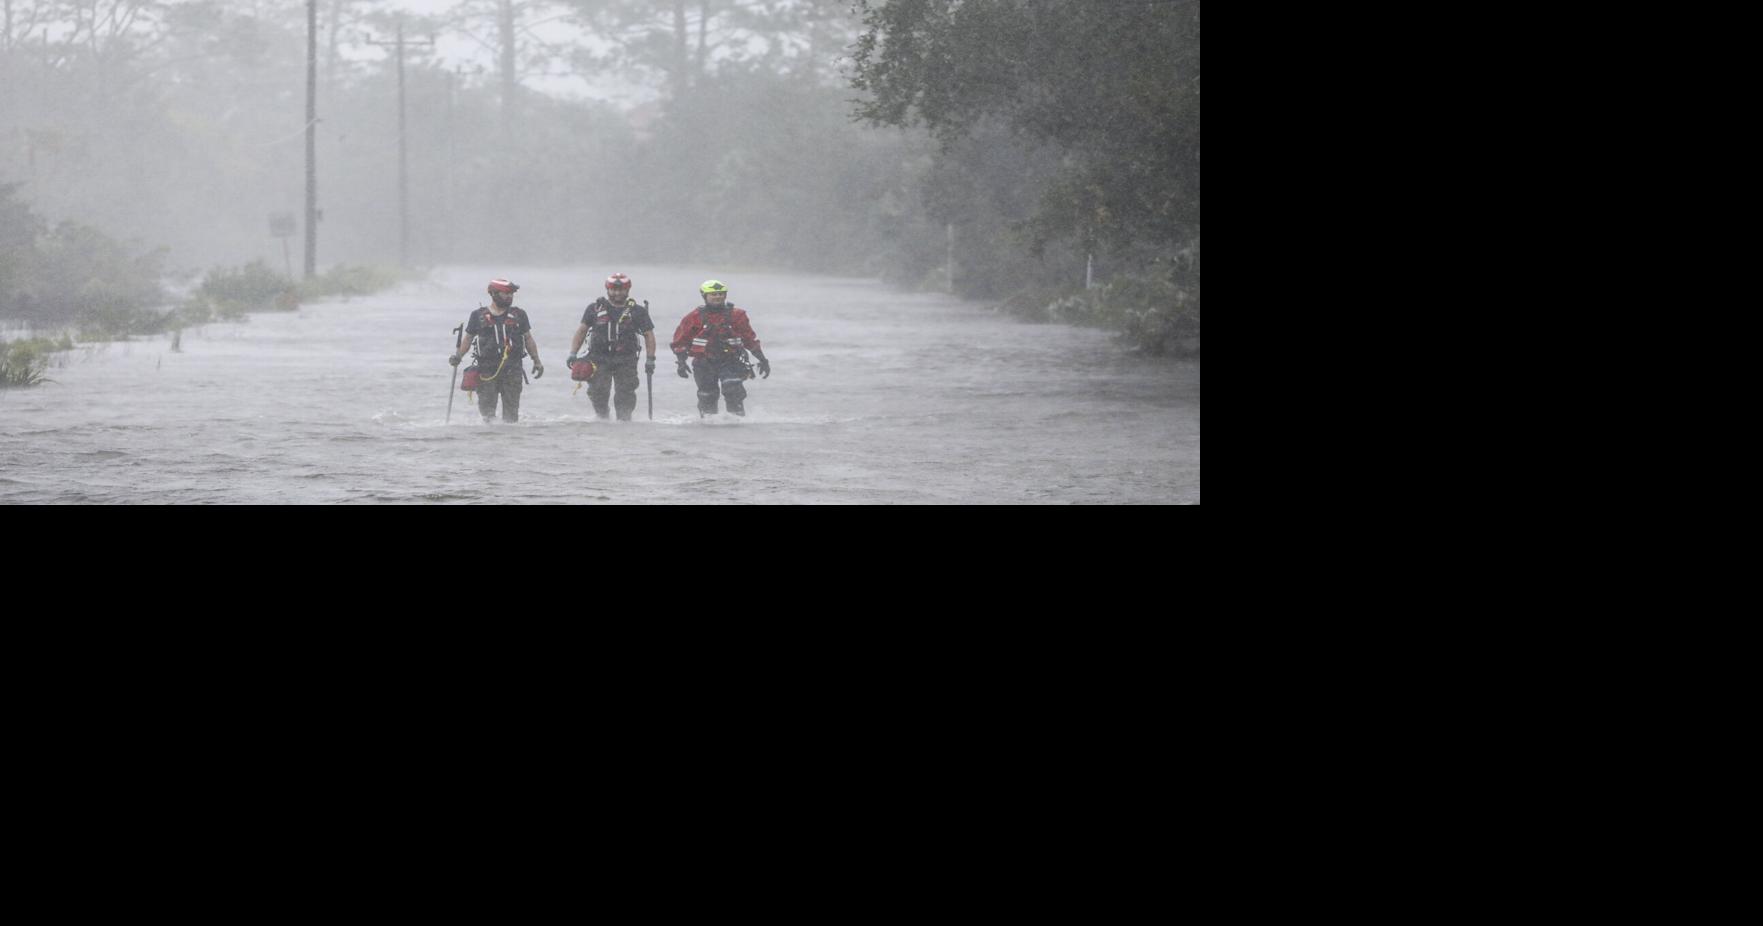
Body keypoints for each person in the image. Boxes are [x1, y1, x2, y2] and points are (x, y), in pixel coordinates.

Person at [671, 280, 770, 417]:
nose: (718, 297)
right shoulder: (693, 317)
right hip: (704, 362)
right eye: (713, 294)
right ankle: (709, 426)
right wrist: (681, 363)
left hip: (731, 360)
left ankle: (736, 423)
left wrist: (762, 359)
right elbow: (680, 341)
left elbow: (749, 339)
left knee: (733, 390)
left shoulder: (737, 316)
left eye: (721, 294)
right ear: (704, 296)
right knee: (707, 396)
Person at [450, 278, 544, 423]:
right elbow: (468, 339)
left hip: (513, 370)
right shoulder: (478, 316)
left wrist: (537, 361)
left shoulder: (519, 315)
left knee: (511, 417)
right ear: (493, 294)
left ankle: (508, 442)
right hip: (486, 371)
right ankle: (490, 441)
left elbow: (528, 338)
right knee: (487, 416)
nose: (509, 296)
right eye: (506, 293)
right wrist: (458, 356)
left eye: (512, 293)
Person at [566, 273, 656, 421]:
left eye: (621, 290)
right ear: (607, 289)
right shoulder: (594, 309)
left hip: (626, 359)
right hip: (598, 358)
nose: (618, 293)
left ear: (628, 290)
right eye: (614, 289)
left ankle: (624, 422)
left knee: (625, 393)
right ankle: (602, 419)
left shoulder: (638, 311)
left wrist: (651, 358)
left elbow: (649, 335)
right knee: (598, 392)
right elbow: (581, 331)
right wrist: (573, 353)